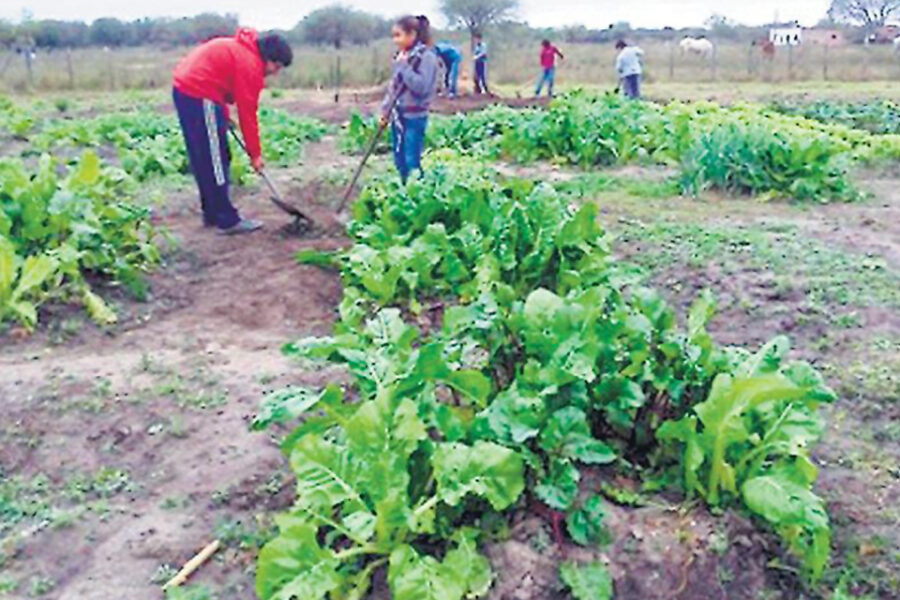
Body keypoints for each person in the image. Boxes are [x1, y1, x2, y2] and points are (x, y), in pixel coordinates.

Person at [172, 29, 292, 235]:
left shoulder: (241, 50)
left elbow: (220, 79)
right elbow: (248, 113)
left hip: (187, 91)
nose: (275, 72)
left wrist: (223, 114)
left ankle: (211, 213)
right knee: (217, 159)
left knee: (204, 157)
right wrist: (255, 155)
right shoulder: (250, 65)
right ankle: (226, 219)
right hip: (200, 94)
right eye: (277, 66)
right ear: (269, 58)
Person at [379, 16, 438, 184]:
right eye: (394, 35)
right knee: (399, 160)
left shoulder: (426, 57)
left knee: (412, 160)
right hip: (398, 116)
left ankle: (417, 196)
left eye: (398, 35)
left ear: (412, 34)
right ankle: (405, 194)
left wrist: (404, 67)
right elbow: (394, 88)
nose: (395, 40)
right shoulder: (401, 56)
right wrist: (385, 111)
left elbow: (421, 87)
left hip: (415, 117)